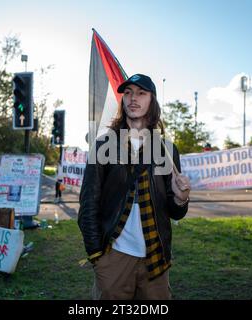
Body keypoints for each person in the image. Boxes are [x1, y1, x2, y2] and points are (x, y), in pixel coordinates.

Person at [78, 74, 191, 300]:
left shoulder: (166, 150)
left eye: (141, 93)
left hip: (156, 260)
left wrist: (180, 198)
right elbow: (88, 204)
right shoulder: (104, 146)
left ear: (153, 100)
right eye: (128, 93)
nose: (133, 98)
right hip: (114, 257)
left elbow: (176, 211)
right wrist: (97, 256)